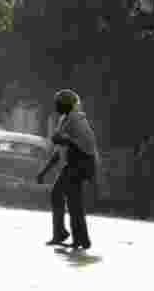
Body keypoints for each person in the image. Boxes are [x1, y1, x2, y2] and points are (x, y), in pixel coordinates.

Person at [37, 90, 98, 250]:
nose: (56, 106)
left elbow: (85, 145)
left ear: (67, 104)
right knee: (72, 201)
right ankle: (80, 239)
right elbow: (58, 152)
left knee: (62, 195)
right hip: (73, 164)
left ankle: (63, 234)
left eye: (59, 103)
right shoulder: (65, 119)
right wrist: (44, 171)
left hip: (81, 162)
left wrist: (64, 139)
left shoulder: (75, 119)